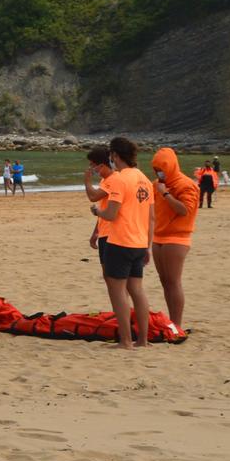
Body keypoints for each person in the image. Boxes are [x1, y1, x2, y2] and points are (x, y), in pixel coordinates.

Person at [89, 136, 153, 349]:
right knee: (137, 290)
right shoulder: (144, 178)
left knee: (118, 292)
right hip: (139, 241)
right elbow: (151, 217)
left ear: (115, 155)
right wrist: (148, 246)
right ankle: (143, 340)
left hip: (120, 240)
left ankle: (126, 340)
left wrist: (98, 211)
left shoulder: (119, 179)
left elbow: (111, 214)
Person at [150, 147, 199, 335]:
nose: (159, 173)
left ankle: (176, 325)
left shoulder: (186, 184)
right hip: (158, 236)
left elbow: (184, 210)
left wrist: (165, 194)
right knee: (165, 282)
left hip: (177, 237)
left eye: (162, 169)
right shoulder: (156, 184)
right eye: (156, 170)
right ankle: (171, 322)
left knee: (173, 281)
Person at [83, 145, 113, 259]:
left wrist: (87, 181)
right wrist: (96, 231)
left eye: (92, 164)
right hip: (104, 231)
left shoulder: (113, 179)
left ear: (101, 164)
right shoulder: (104, 180)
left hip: (111, 234)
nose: (90, 168)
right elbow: (103, 207)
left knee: (111, 274)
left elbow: (93, 197)